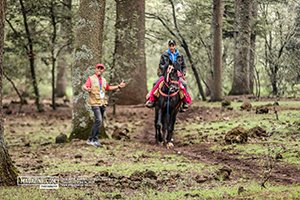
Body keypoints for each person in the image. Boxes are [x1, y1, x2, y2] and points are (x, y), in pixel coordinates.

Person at [83, 63, 126, 147]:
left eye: (101, 68)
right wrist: (86, 88)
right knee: (99, 120)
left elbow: (108, 88)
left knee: (99, 121)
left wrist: (118, 86)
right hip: (94, 102)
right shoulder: (91, 78)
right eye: (98, 68)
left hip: (102, 103)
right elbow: (85, 86)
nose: (99, 70)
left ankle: (91, 139)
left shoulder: (103, 80)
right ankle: (94, 140)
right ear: (95, 69)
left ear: (103, 70)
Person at [145, 40, 191, 109]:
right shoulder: (164, 55)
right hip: (166, 75)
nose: (171, 47)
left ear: (175, 46)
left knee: (184, 84)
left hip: (176, 76)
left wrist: (183, 73)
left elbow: (183, 66)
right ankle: (152, 101)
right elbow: (161, 65)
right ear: (168, 46)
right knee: (155, 83)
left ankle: (185, 102)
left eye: (173, 46)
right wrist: (167, 67)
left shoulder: (180, 56)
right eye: (170, 46)